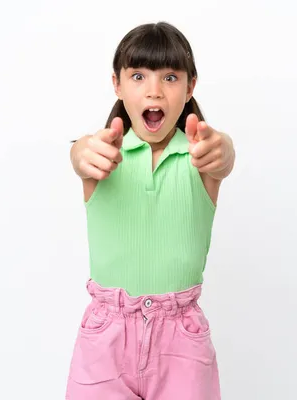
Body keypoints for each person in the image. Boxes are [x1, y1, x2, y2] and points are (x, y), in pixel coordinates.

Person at [66, 21, 235, 400]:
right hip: (105, 340)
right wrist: (78, 152)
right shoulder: (103, 153)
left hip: (181, 342)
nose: (154, 90)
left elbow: (223, 156)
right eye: (138, 75)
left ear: (190, 86)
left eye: (170, 77)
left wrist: (224, 147)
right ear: (117, 84)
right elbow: (81, 154)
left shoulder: (201, 156)